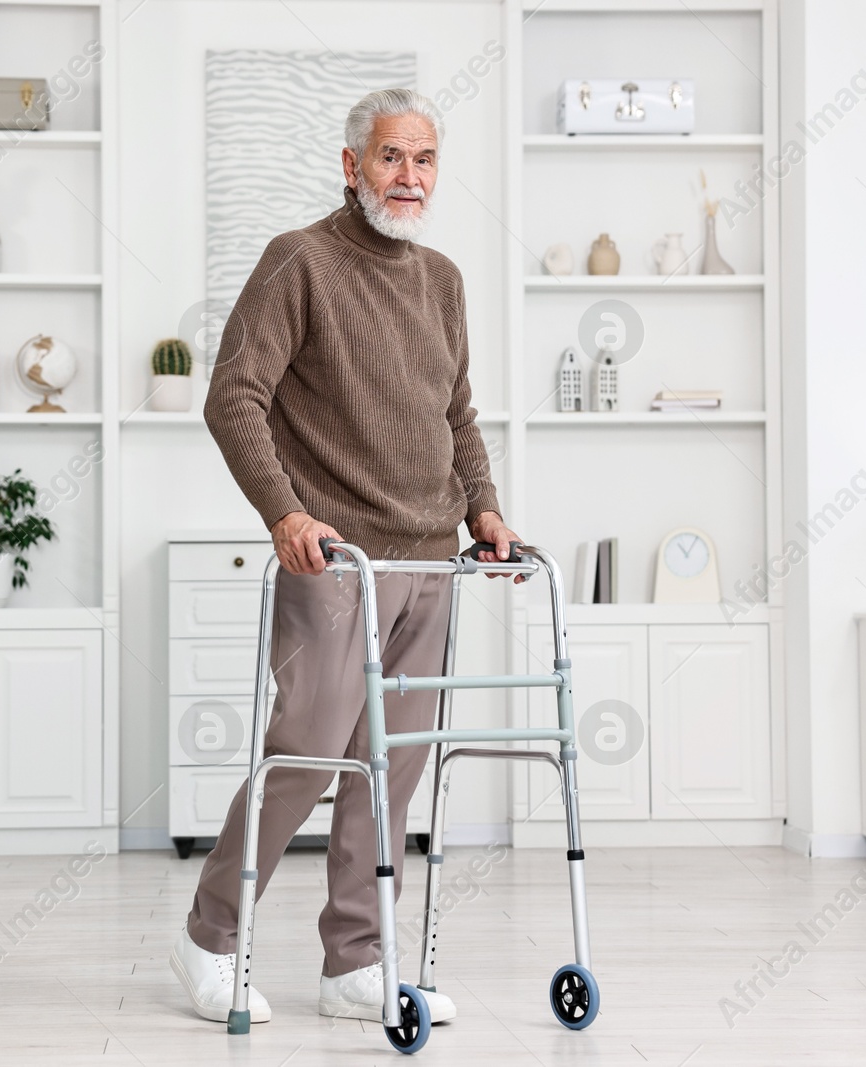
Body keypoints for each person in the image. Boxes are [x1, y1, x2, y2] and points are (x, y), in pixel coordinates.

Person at [169, 87, 522, 1025]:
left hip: (431, 559)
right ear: (351, 165)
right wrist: (283, 512)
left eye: (425, 160)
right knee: (308, 753)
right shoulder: (301, 262)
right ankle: (209, 936)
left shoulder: (441, 279)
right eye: (392, 157)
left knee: (391, 765)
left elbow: (458, 416)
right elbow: (233, 395)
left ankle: (356, 961)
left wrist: (483, 505)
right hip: (332, 558)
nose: (410, 177)